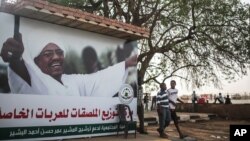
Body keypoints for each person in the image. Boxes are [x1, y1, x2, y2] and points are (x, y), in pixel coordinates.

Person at [0, 33, 137, 96]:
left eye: (59, 52)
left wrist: (126, 64)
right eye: (48, 54)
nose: (56, 58)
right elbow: (22, 70)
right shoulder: (35, 79)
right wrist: (16, 58)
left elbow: (97, 79)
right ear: (37, 61)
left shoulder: (71, 80)